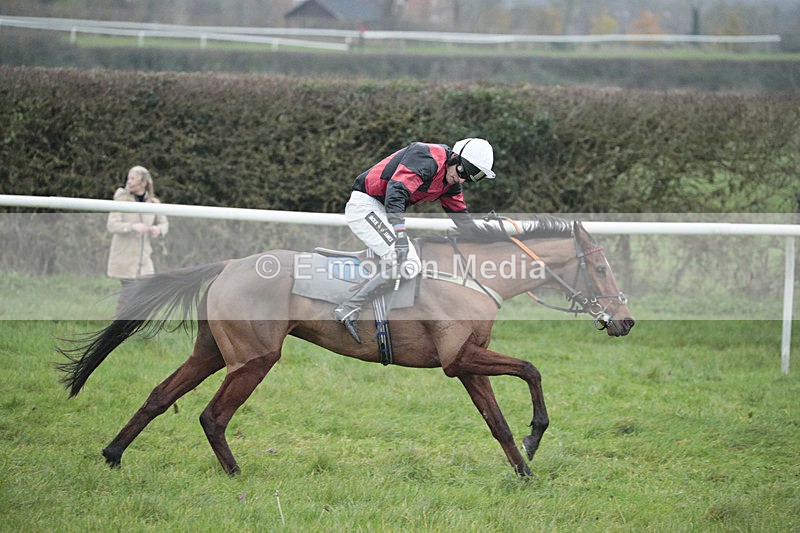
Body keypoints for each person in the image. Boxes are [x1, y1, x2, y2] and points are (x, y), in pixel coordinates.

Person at [333, 138, 496, 343]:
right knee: (408, 263)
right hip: (366, 207)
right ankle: (348, 308)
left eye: (470, 179)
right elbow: (396, 192)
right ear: (455, 157)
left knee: (410, 262)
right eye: (463, 172)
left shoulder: (450, 181)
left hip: (383, 211)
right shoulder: (426, 158)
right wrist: (400, 233)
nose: (461, 180)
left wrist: (490, 235)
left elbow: (461, 218)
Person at [106, 165, 169, 314]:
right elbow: (112, 225)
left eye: (132, 178)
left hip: (144, 257)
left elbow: (164, 223)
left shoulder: (154, 203)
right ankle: (120, 323)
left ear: (143, 182)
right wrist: (132, 226)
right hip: (124, 255)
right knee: (129, 289)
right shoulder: (121, 200)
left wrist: (158, 230)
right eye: (128, 178)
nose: (129, 181)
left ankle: (135, 323)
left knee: (147, 288)